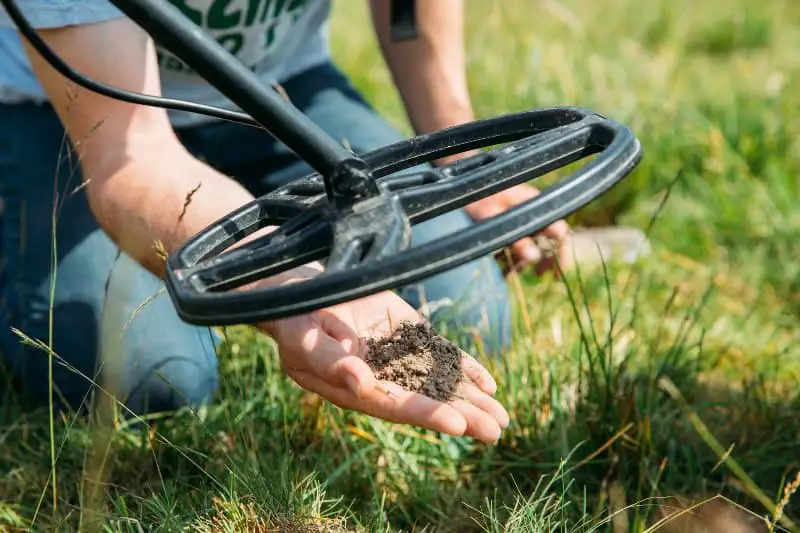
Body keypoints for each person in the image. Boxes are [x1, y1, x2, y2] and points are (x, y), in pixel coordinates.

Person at [0, 0, 640, 444]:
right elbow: (134, 157)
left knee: (470, 311)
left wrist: (457, 153)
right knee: (148, 379)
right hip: (57, 110)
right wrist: (291, 291)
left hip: (279, 87)